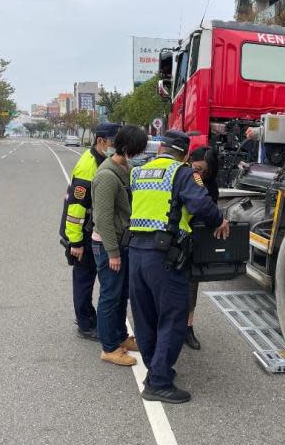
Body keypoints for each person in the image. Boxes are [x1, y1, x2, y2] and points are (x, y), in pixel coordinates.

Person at [129, 131, 230, 404]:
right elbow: (200, 205)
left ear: (160, 147)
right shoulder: (181, 173)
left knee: (145, 317)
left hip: (136, 252)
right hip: (164, 255)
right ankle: (159, 383)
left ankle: (156, 370)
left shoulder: (138, 172)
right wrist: (219, 220)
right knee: (173, 318)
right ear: (185, 154)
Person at [91, 125, 148, 366]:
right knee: (110, 296)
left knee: (121, 295)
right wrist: (113, 253)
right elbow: (103, 218)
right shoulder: (106, 176)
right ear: (125, 147)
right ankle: (109, 348)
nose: (138, 155)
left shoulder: (126, 168)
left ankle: (121, 337)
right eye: (135, 150)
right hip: (108, 245)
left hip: (122, 242)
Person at [59, 122, 119, 340]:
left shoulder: (103, 159)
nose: (115, 146)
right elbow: (76, 206)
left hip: (90, 230)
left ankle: (91, 318)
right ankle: (85, 324)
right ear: (101, 141)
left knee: (93, 277)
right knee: (84, 280)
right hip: (81, 233)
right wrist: (75, 242)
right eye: (113, 142)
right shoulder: (89, 164)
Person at [184, 146, 220, 350]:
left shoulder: (210, 185)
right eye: (197, 168)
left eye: (205, 172)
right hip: (173, 239)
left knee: (191, 286)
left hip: (196, 240)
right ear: (189, 159)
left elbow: (211, 209)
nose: (199, 174)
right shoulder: (180, 175)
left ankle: (187, 328)